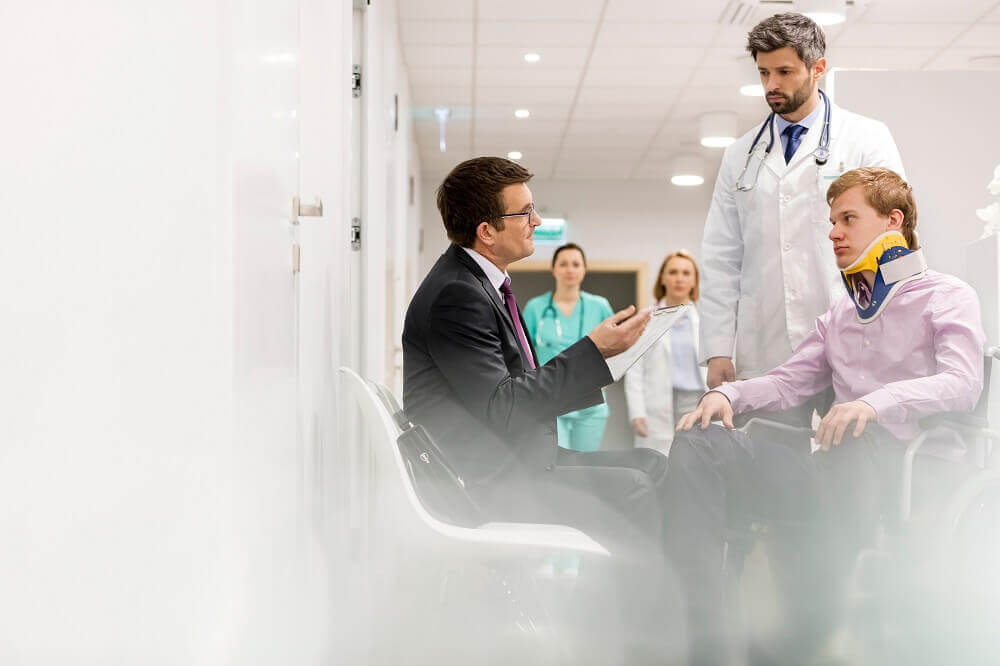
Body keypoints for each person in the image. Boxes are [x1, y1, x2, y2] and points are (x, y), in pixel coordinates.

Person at [666, 167, 985, 664]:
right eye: (831, 220)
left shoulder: (948, 296)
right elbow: (791, 379)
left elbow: (964, 383)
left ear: (892, 222)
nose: (832, 231)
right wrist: (729, 396)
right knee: (700, 440)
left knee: (855, 440)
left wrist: (873, 404)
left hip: (907, 469)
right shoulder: (841, 314)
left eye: (848, 219)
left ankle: (805, 638)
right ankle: (702, 631)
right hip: (837, 470)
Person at [402, 157, 680, 662]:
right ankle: (634, 641)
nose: (537, 222)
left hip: (511, 462)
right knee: (637, 489)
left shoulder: (478, 284)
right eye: (526, 212)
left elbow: (510, 392)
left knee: (656, 465)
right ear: (487, 231)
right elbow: (503, 406)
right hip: (487, 481)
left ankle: (652, 620)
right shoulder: (457, 296)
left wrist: (600, 354)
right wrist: (593, 351)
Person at [699, 13, 905, 413]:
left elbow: (898, 241)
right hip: (766, 345)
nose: (772, 85)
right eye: (763, 73)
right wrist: (718, 347)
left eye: (785, 71)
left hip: (853, 336)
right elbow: (721, 257)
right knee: (773, 468)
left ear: (818, 69)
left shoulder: (867, 138)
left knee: (847, 466)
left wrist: (897, 336)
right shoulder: (740, 155)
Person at [523, 243, 615, 452]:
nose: (570, 269)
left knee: (586, 467)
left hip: (591, 403)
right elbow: (523, 354)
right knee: (556, 465)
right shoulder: (535, 308)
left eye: (576, 264)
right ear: (553, 269)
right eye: (563, 264)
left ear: (584, 269)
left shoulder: (600, 306)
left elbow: (617, 348)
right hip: (550, 401)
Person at [624, 251, 707, 454]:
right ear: (662, 277)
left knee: (696, 461)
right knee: (658, 462)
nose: (679, 278)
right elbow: (634, 370)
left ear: (695, 280)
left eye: (686, 273)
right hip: (658, 401)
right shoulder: (646, 319)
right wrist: (637, 412)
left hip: (697, 402)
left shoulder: (706, 320)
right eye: (673, 272)